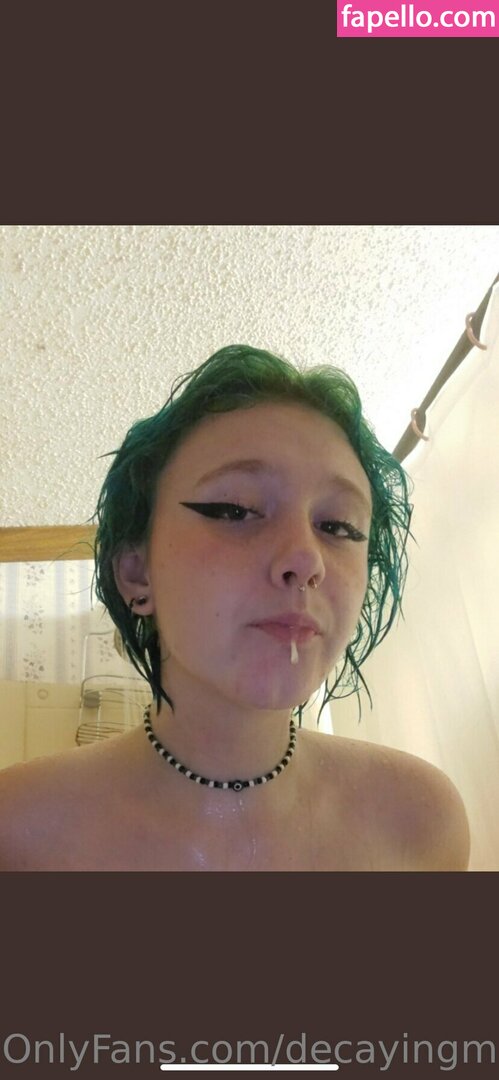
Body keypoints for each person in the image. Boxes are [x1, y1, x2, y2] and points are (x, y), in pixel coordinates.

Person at [0, 345, 469, 871]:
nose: (305, 560)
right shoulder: (15, 835)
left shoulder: (421, 822)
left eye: (338, 526)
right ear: (136, 572)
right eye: (236, 510)